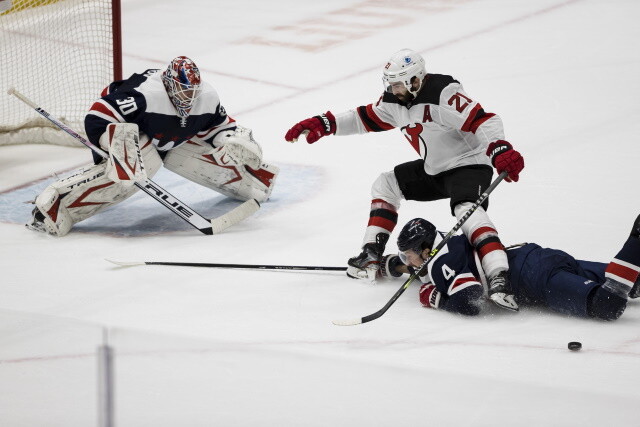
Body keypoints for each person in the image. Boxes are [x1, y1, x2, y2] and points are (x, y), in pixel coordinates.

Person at [284, 48, 524, 311]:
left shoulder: (444, 93)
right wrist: (325, 124)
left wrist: (500, 148)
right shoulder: (395, 101)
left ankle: (499, 276)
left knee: (467, 210)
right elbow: (363, 118)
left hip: (469, 164)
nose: (393, 89)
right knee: (386, 184)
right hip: (435, 169)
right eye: (391, 83)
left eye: (398, 83)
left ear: (415, 79)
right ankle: (371, 254)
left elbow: (485, 121)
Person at [27, 56, 278, 236]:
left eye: (192, 92)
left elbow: (218, 127)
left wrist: (232, 140)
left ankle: (253, 181)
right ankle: (54, 206)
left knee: (222, 154)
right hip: (134, 133)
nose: (188, 98)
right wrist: (114, 145)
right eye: (182, 91)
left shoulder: (207, 97)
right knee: (138, 169)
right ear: (169, 84)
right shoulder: (146, 95)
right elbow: (98, 117)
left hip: (171, 137)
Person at [376, 215, 640, 320]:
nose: (407, 260)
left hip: (534, 278)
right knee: (635, 279)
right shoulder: (445, 239)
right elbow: (420, 266)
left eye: (408, 254)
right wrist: (392, 266)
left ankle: (637, 239)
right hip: (531, 256)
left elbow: (470, 301)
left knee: (608, 304)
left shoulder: (443, 263)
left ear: (425, 250)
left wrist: (436, 299)